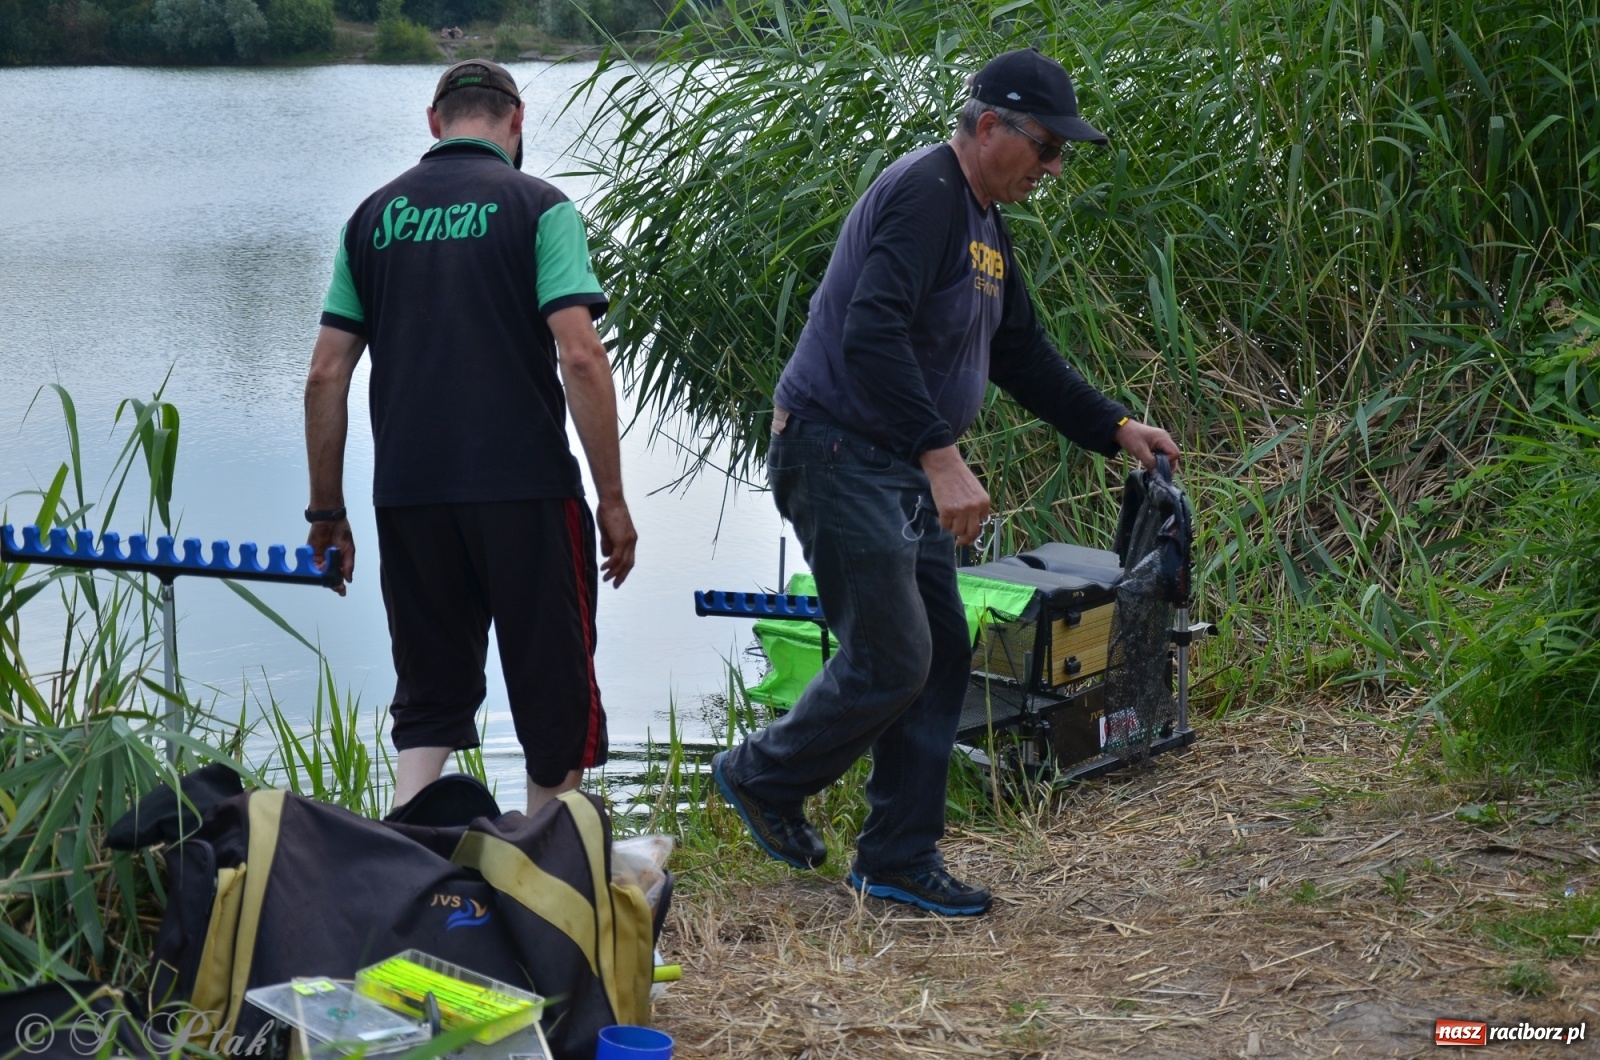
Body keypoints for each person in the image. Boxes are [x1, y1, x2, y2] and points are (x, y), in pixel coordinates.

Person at [712, 48, 1180, 916]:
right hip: (838, 453)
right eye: (1045, 148)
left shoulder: (986, 226)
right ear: (991, 125)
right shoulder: (926, 193)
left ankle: (896, 857)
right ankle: (761, 774)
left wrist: (1114, 429)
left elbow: (1022, 355)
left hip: (891, 465)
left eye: (1061, 155)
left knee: (937, 656)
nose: (1053, 168)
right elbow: (870, 332)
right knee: (894, 655)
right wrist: (941, 456)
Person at [303, 59, 637, 818]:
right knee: (553, 696)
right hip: (525, 491)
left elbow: (325, 376)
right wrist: (612, 500)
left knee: (428, 700)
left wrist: (327, 512)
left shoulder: (371, 219)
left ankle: (404, 867)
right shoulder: (540, 207)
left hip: (410, 494)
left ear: (434, 122)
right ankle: (550, 882)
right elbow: (581, 355)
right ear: (516, 123)